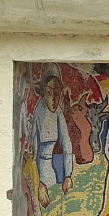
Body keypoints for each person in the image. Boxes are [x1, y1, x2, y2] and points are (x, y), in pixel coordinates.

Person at [30, 63, 74, 207]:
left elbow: (66, 142)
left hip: (54, 172)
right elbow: (33, 154)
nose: (54, 99)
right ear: (43, 91)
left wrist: (68, 175)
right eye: (50, 93)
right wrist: (39, 183)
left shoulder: (58, 112)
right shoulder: (38, 113)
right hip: (41, 174)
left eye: (57, 93)